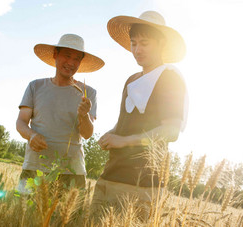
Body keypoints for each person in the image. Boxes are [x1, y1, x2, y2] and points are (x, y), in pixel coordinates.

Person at [92, 11, 188, 211]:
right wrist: (111, 133)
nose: (137, 50)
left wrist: (126, 141)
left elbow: (171, 131)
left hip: (142, 183)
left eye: (144, 43)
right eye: (134, 43)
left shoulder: (169, 78)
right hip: (110, 174)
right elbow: (125, 120)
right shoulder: (131, 80)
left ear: (161, 44)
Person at [16, 34, 104, 192]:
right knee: (23, 215)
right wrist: (31, 135)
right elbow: (21, 122)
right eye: (67, 55)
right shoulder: (35, 86)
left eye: (77, 58)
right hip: (35, 167)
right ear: (55, 55)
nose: (71, 62)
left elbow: (87, 134)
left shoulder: (88, 93)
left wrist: (83, 115)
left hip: (72, 172)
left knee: (70, 217)